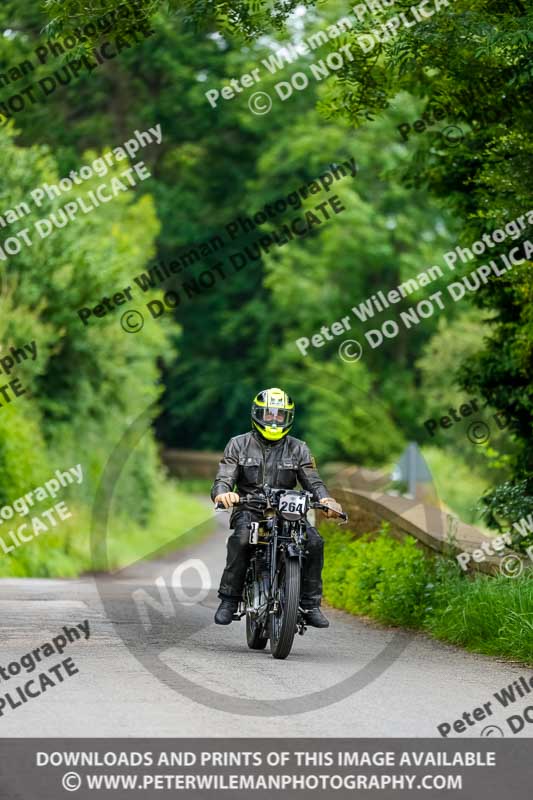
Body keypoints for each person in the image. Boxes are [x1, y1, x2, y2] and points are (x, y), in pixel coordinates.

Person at [211, 387, 342, 628]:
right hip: (249, 508)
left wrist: (326, 500)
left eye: (279, 415)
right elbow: (224, 477)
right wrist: (223, 494)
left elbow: (313, 481)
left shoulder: (299, 448)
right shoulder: (238, 444)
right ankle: (229, 599)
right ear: (257, 414)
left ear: (287, 418)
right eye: (269, 414)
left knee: (314, 542)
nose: (273, 419)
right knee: (240, 539)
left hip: (287, 510)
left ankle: (310, 603)